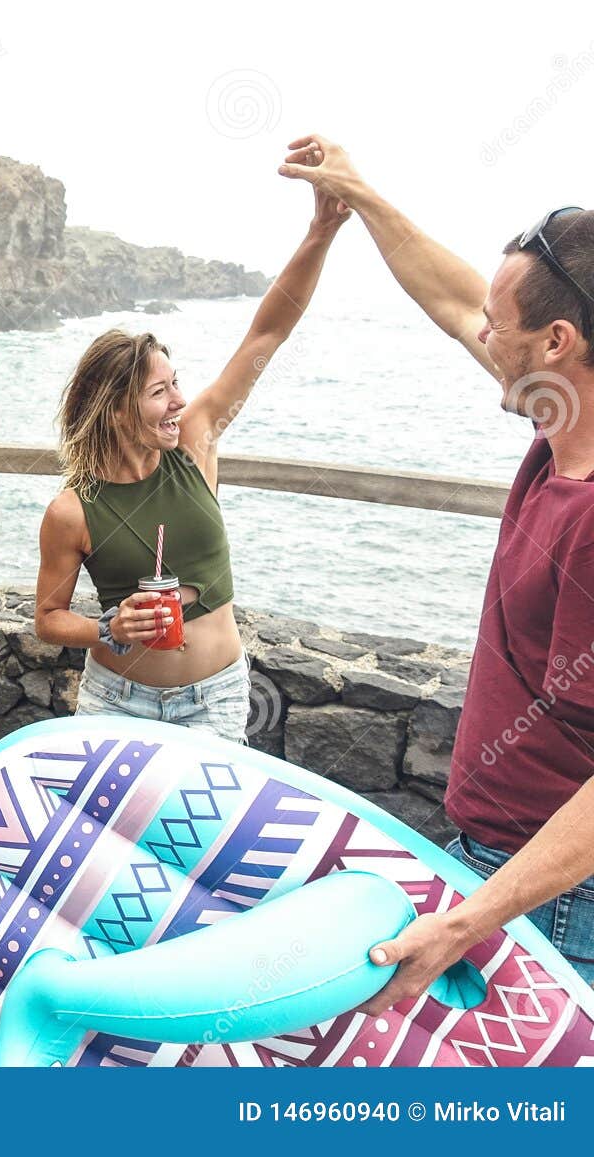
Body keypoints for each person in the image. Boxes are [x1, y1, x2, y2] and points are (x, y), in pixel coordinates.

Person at [280, 135, 594, 999]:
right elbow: (456, 300)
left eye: (504, 326)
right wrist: (360, 196)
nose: (480, 332)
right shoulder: (557, 416)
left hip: (554, 900)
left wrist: (468, 919)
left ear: (558, 341)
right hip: (503, 870)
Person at [33, 181, 350, 741]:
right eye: (160, 392)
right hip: (118, 701)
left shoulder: (194, 443)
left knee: (209, 833)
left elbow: (267, 333)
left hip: (217, 700)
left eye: (176, 384)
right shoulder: (71, 511)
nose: (180, 400)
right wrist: (110, 626)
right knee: (115, 830)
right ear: (114, 409)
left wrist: (319, 233)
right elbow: (49, 620)